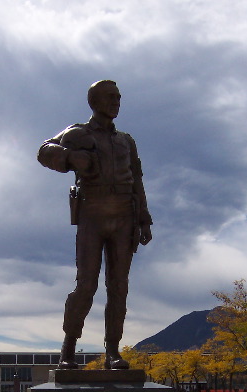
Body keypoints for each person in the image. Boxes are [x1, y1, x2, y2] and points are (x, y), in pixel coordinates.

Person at [38, 80, 152, 369]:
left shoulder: (126, 140)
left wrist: (144, 219)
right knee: (86, 285)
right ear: (95, 102)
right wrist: (69, 157)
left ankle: (112, 352)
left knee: (118, 287)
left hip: (125, 216)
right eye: (111, 97)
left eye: (119, 97)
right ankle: (68, 350)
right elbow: (44, 150)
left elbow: (137, 179)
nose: (117, 102)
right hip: (92, 215)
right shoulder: (78, 133)